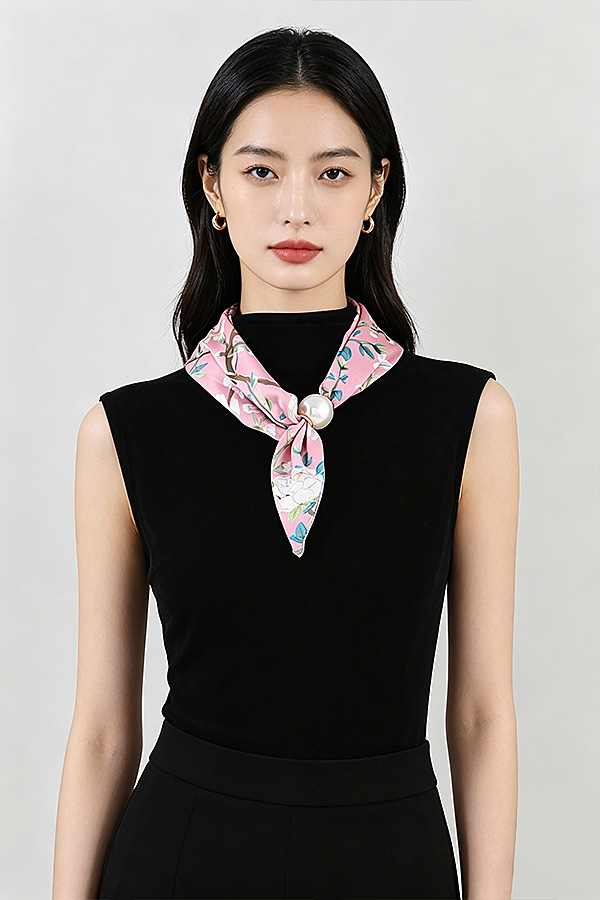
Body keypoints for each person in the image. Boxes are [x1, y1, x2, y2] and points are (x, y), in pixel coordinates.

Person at [52, 25, 519, 900]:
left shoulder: (471, 418)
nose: (296, 207)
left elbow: (483, 714)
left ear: (376, 190)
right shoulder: (123, 432)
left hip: (393, 864)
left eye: (332, 173)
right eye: (262, 170)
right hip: (178, 863)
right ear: (213, 187)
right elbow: (103, 731)